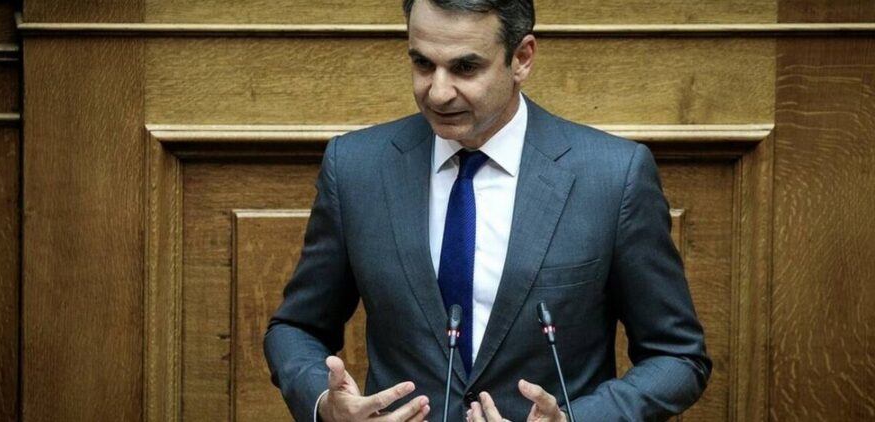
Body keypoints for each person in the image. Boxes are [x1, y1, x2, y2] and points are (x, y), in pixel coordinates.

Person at [264, 0, 712, 420]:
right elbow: (295, 328)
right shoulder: (356, 167)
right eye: (423, 64)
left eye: (465, 67)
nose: (438, 93)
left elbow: (677, 356)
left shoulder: (613, 177)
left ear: (522, 59)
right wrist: (325, 404)